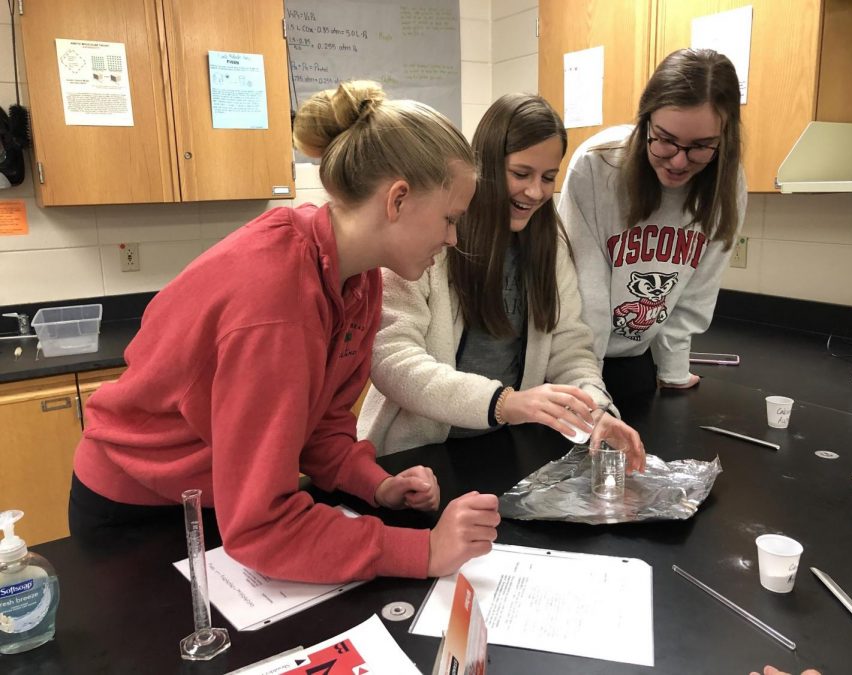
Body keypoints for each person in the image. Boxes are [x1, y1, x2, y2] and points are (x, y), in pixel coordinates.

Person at [69, 80, 501, 584]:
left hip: (220, 498)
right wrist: (424, 551)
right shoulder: (275, 301)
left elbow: (320, 421)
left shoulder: (356, 276)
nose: (452, 238)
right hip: (140, 511)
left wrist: (374, 484)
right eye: (450, 219)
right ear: (397, 199)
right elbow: (261, 527)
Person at [358, 92, 645, 471]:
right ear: (488, 164)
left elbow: (570, 347)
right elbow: (395, 361)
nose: (535, 192)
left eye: (548, 177)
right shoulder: (430, 234)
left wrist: (596, 411)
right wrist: (503, 402)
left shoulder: (549, 242)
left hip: (500, 446)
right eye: (521, 174)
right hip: (415, 457)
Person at [558, 48, 747, 402]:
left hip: (636, 358)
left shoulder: (727, 182)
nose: (678, 160)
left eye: (700, 147)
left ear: (724, 139)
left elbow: (697, 290)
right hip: (575, 359)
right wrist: (588, 387)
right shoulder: (597, 166)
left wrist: (674, 371)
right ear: (645, 119)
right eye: (664, 139)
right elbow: (587, 288)